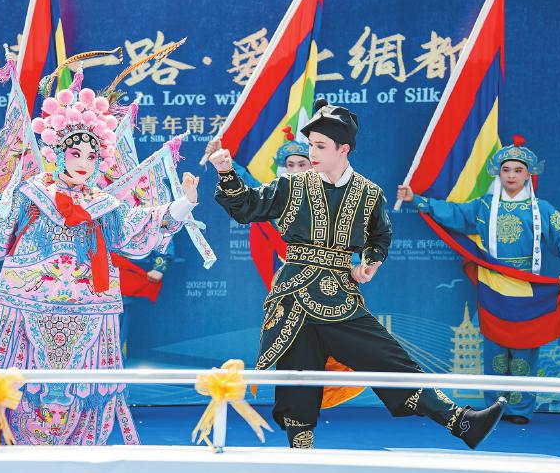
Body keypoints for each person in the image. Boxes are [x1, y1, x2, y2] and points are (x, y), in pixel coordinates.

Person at [0, 81, 199, 445]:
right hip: (27, 303)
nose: (85, 163)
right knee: (18, 383)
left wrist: (184, 204)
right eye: (77, 154)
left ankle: (75, 454)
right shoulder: (31, 192)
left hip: (89, 307)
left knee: (82, 390)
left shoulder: (103, 202)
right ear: (58, 153)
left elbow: (137, 227)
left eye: (92, 156)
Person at [209, 99, 505, 450]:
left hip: (339, 295)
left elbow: (381, 235)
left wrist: (371, 260)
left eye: (320, 146)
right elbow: (246, 207)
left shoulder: (368, 193)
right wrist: (226, 171)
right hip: (293, 295)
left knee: (388, 359)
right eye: (310, 145)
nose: (312, 153)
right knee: (298, 378)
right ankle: (300, 457)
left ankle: (460, 421)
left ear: (343, 148)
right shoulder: (290, 186)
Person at [397, 137, 560, 425]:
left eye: (517, 170)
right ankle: (493, 410)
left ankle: (520, 410)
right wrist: (417, 200)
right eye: (506, 169)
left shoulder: (542, 210)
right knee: (495, 355)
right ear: (499, 173)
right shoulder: (485, 207)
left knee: (524, 355)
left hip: (526, 289)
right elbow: (455, 214)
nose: (511, 175)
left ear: (528, 174)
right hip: (492, 287)